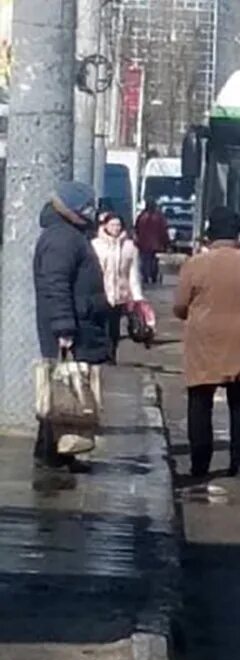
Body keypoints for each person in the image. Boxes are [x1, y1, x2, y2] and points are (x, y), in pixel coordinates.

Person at [174, 207, 240, 479]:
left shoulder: (195, 264)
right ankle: (238, 462)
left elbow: (180, 305)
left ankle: (200, 463)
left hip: (205, 338)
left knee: (200, 399)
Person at [33, 181, 110, 487]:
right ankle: (55, 454)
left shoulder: (67, 235)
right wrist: (64, 327)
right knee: (65, 391)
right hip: (72, 327)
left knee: (63, 392)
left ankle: (55, 451)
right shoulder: (63, 239)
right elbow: (56, 285)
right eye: (89, 207)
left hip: (77, 322)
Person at [92, 212, 144, 363]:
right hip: (100, 292)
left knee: (114, 328)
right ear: (105, 226)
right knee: (101, 325)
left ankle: (111, 355)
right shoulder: (95, 245)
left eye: (118, 225)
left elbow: (133, 274)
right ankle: (102, 354)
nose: (115, 228)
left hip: (120, 294)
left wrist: (137, 297)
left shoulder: (129, 247)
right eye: (112, 225)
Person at [134, 200, 170, 285]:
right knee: (154, 260)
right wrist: (166, 242)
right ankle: (153, 277)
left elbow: (136, 229)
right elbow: (163, 231)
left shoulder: (141, 216)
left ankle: (145, 277)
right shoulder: (159, 217)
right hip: (156, 243)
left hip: (143, 243)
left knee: (144, 260)